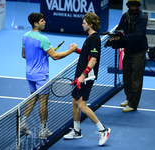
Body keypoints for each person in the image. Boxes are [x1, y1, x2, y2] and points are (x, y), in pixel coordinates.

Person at [21, 12, 77, 139]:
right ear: (36, 23)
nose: (44, 22)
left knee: (33, 98)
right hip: (41, 76)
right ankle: (43, 131)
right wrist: (71, 51)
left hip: (29, 74)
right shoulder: (43, 39)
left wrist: (39, 55)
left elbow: (24, 55)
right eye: (42, 20)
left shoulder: (25, 36)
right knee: (43, 102)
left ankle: (23, 124)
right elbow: (55, 56)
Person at [63, 12, 111, 146]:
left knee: (82, 105)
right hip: (80, 76)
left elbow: (93, 60)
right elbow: (87, 55)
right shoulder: (90, 38)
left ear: (90, 24)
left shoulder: (94, 38)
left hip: (86, 77)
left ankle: (103, 130)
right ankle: (77, 131)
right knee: (74, 101)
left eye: (84, 23)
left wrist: (83, 75)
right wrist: (76, 50)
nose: (82, 24)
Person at [108, 0, 148, 112]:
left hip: (139, 53)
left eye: (136, 6)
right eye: (132, 6)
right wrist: (115, 35)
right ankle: (129, 98)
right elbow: (120, 28)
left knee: (136, 80)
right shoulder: (125, 16)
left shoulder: (142, 18)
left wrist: (120, 38)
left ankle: (133, 104)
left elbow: (137, 35)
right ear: (129, 6)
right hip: (128, 51)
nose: (134, 8)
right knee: (127, 78)